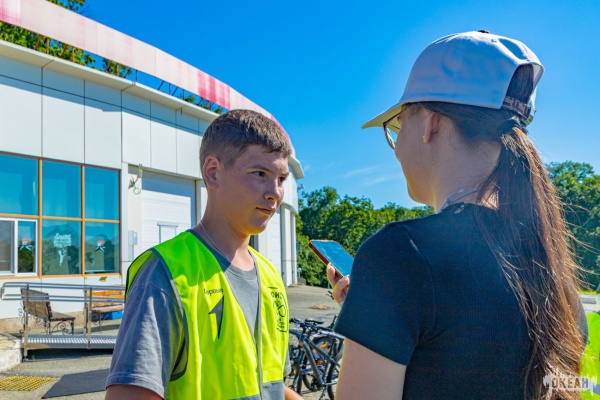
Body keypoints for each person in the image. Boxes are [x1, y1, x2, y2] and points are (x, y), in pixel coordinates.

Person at [327, 31, 586, 399]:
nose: (396, 147)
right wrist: (376, 316)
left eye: (397, 126)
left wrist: (386, 299)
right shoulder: (553, 271)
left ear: (431, 123)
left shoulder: (400, 254)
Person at [105, 110, 303, 400]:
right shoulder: (164, 273)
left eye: (281, 178)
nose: (275, 193)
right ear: (213, 172)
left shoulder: (271, 276)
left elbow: (271, 388)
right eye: (260, 174)